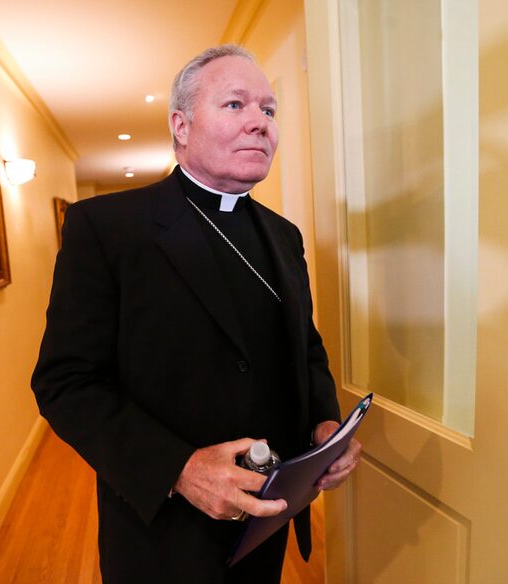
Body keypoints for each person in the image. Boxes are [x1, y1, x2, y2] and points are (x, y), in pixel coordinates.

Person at [31, 44, 361, 584]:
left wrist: (324, 425)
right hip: (164, 531)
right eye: (236, 105)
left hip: (269, 515)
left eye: (270, 110)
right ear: (181, 125)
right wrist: (179, 470)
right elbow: (64, 383)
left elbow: (304, 347)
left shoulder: (284, 235)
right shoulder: (107, 228)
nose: (260, 123)